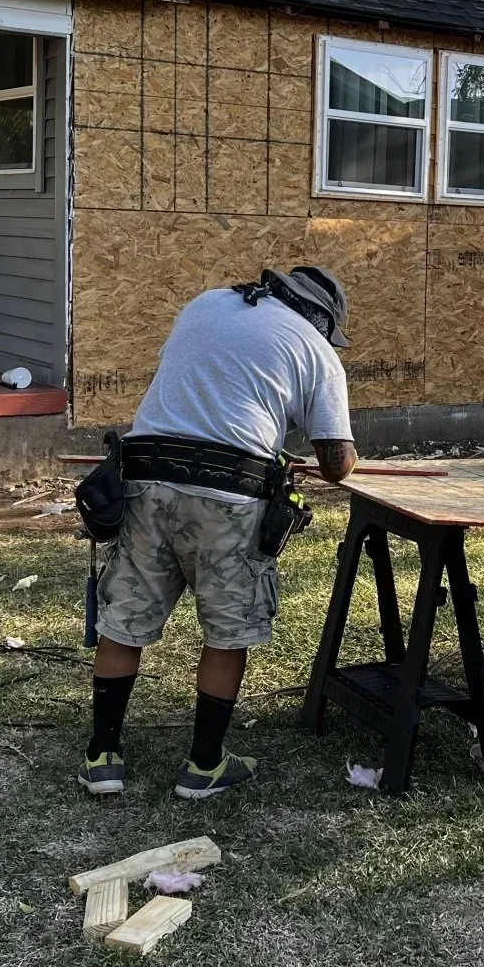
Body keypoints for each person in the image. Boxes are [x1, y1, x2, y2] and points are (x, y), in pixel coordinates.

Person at [81, 266, 357, 800]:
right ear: (321, 318)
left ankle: (102, 757)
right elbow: (336, 465)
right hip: (230, 496)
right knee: (228, 631)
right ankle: (203, 765)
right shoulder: (319, 354)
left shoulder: (205, 304)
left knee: (126, 622)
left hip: (145, 479)